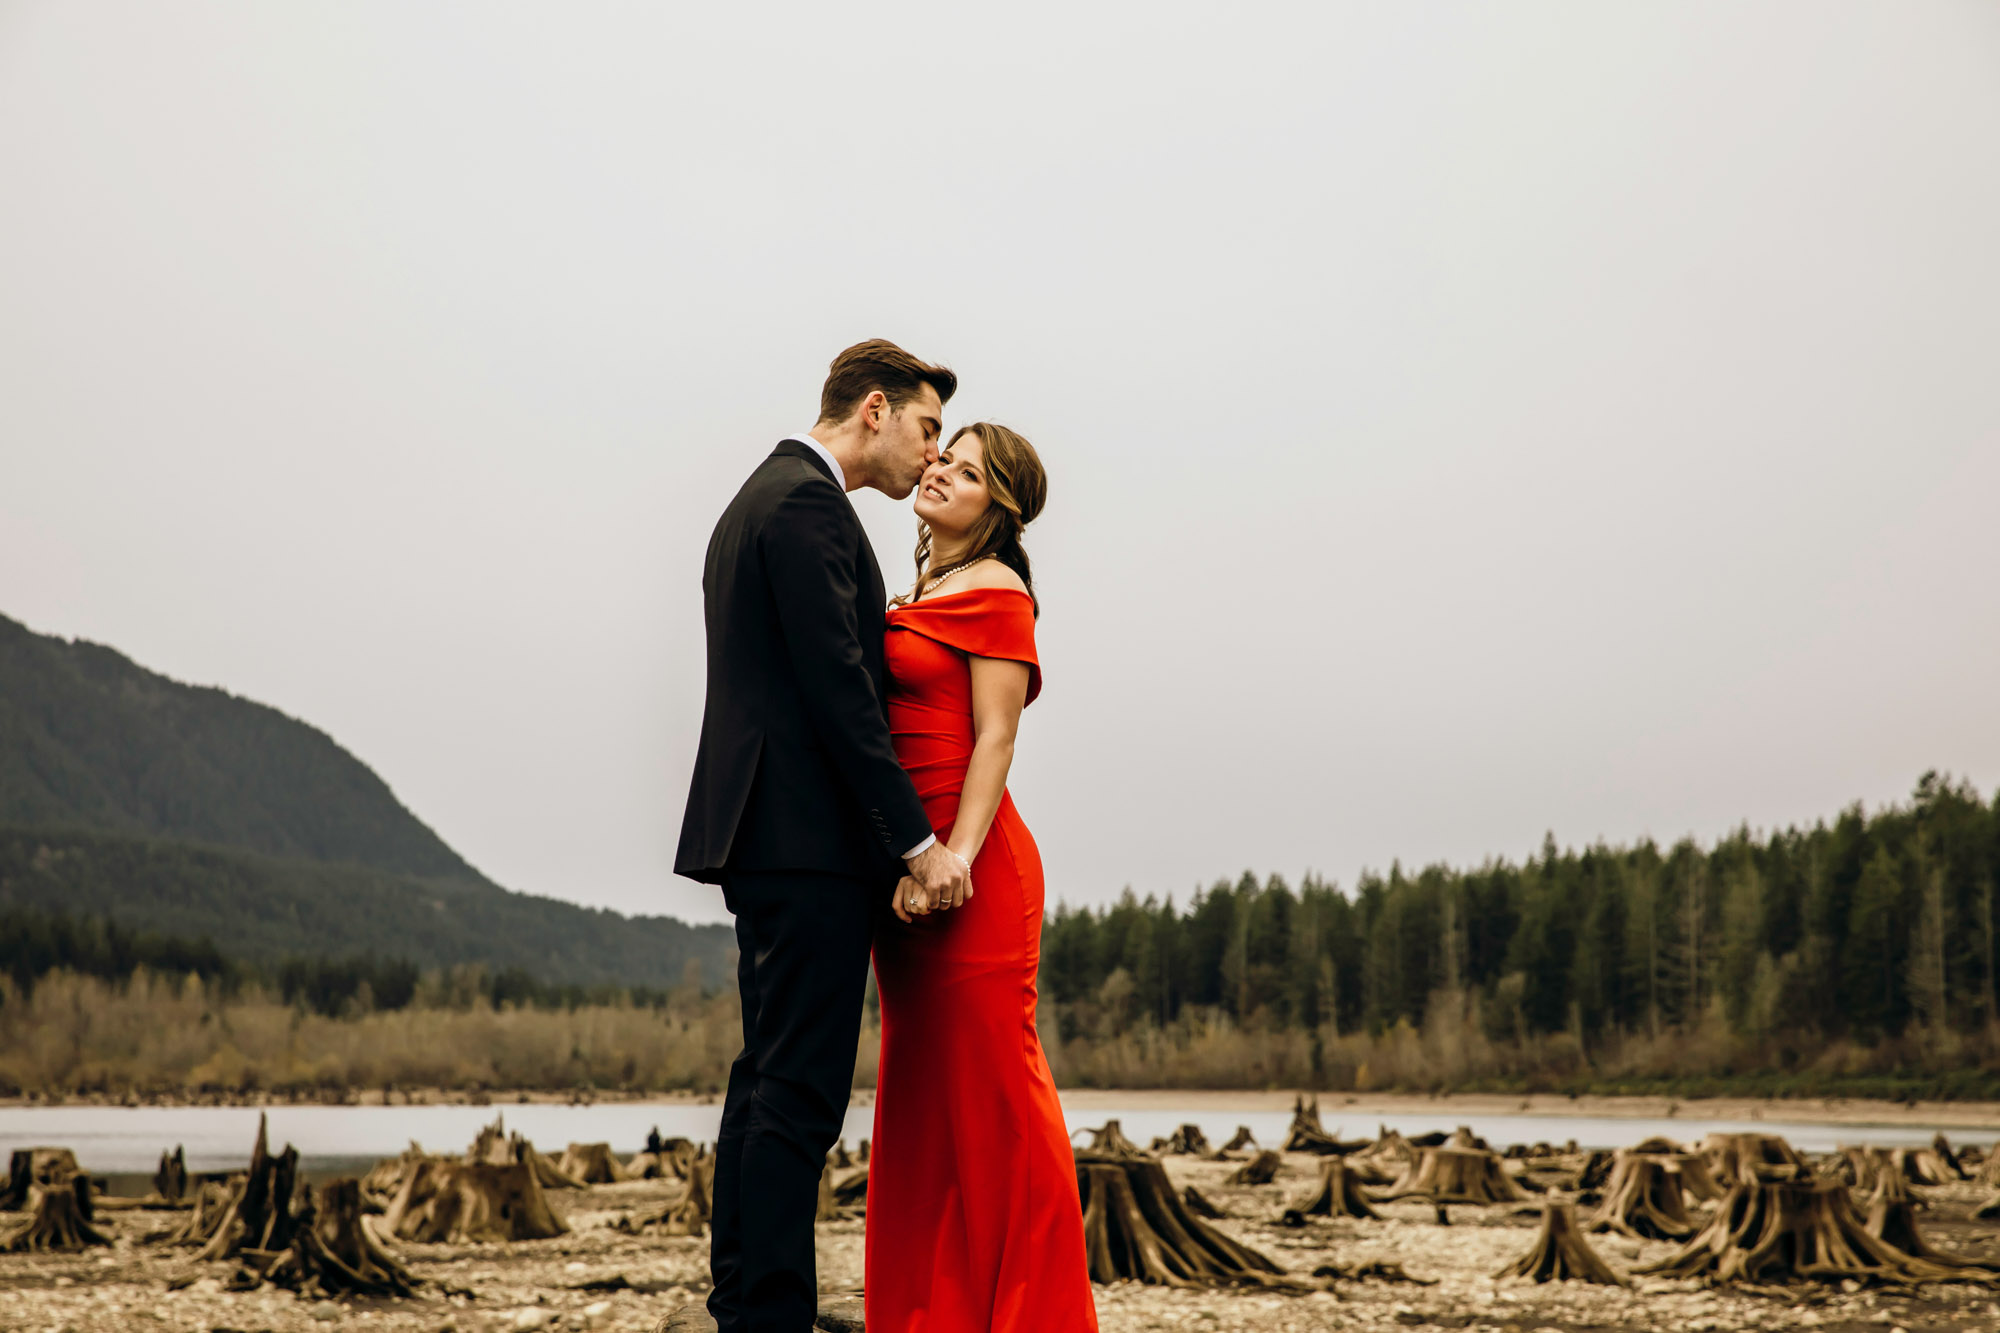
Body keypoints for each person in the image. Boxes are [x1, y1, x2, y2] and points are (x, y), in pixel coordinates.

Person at [675, 339, 975, 1333]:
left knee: (764, 1076)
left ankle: (748, 1304)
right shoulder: (805, 504)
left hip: (766, 832)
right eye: (928, 428)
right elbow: (837, 689)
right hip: (801, 839)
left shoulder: (755, 500)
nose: (931, 455)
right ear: (875, 409)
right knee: (797, 1092)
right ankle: (767, 1317)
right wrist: (914, 841)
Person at [866, 422, 1099, 1330]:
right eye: (943, 458)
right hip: (907, 879)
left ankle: (1035, 1314)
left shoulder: (998, 589)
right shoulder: (924, 586)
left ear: (996, 507)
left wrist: (954, 855)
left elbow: (996, 736)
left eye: (966, 473)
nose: (941, 475)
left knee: (998, 1093)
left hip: (974, 876)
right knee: (924, 1102)